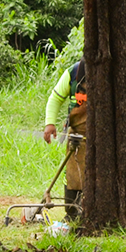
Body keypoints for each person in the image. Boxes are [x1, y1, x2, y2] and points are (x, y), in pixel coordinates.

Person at [43, 59, 87, 217]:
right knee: (74, 175)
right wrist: (50, 124)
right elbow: (55, 99)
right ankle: (73, 213)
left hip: (104, 136)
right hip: (78, 135)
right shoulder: (74, 72)